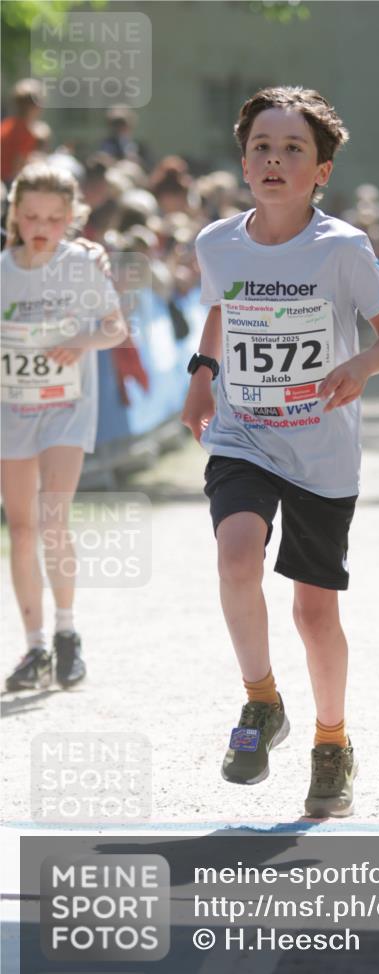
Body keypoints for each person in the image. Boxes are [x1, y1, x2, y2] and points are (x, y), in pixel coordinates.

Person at [181, 86, 379, 818]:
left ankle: (332, 742)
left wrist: (362, 365)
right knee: (236, 555)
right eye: (262, 147)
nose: (274, 160)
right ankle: (261, 701)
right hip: (244, 433)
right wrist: (202, 376)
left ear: (322, 171)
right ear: (244, 162)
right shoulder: (217, 243)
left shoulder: (341, 248)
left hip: (321, 448)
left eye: (292, 149)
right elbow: (221, 309)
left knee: (314, 613)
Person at [1, 163, 128, 692]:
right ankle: (34, 646)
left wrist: (80, 341)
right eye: (31, 216)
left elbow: (115, 328)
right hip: (13, 409)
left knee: (53, 518)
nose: (42, 227)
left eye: (54, 218)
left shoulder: (80, 264)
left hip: (66, 407)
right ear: (14, 213)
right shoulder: (3, 270)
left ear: (72, 217)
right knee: (21, 528)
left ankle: (67, 632)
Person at [1, 79, 45, 184]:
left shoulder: (6, 125)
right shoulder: (26, 133)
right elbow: (17, 168)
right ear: (35, 106)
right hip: (7, 182)